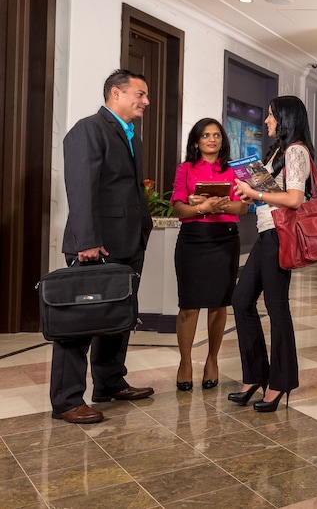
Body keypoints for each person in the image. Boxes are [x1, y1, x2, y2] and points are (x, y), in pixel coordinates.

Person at [52, 69, 155, 424]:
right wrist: (87, 240)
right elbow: (81, 186)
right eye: (140, 94)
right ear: (116, 93)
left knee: (118, 315)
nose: (146, 101)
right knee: (79, 323)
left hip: (128, 241)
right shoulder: (89, 129)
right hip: (97, 244)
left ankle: (110, 382)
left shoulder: (130, 135)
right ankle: (66, 400)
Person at [230, 96, 313, 412]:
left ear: (285, 118)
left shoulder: (296, 151)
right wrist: (251, 193)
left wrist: (255, 192)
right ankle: (255, 376)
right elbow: (273, 194)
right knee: (241, 300)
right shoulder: (278, 150)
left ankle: (280, 381)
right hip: (266, 232)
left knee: (277, 308)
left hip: (279, 235)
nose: (266, 120)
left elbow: (294, 199)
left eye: (270, 115)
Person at [169, 118, 247, 392]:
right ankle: (185, 362)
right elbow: (179, 209)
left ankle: (212, 360)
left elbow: (243, 208)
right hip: (193, 239)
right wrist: (202, 208)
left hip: (225, 239)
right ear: (196, 141)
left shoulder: (234, 170)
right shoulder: (185, 169)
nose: (211, 139)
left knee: (218, 304)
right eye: (205, 135)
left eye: (216, 135)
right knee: (189, 306)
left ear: (222, 140)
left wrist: (222, 205)